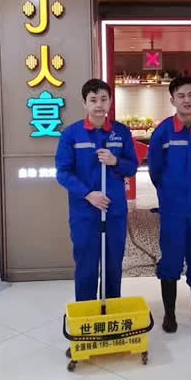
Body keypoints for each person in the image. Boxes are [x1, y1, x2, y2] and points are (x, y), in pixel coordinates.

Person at [56, 79, 139, 303]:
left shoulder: (121, 132)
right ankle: (87, 312)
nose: (99, 105)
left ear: (110, 101)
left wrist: (115, 161)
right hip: (84, 212)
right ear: (85, 104)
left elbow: (132, 167)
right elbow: (63, 173)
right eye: (93, 100)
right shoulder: (72, 134)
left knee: (113, 264)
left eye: (103, 99)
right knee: (86, 264)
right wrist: (88, 194)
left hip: (114, 210)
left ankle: (111, 309)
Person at [147, 76, 191, 332]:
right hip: (173, 208)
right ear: (173, 100)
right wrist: (169, 191)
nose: (187, 100)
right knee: (171, 257)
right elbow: (155, 169)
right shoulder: (163, 132)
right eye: (181, 96)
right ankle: (169, 313)